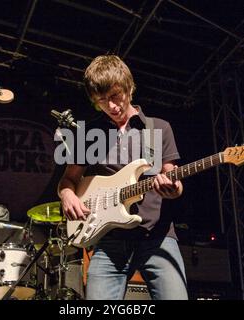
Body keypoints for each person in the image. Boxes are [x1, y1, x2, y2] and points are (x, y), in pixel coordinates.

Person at [58, 55, 188, 300]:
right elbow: (68, 181)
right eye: (101, 101)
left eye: (115, 96)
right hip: (110, 241)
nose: (111, 106)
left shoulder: (159, 128)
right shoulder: (89, 134)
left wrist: (173, 187)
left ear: (129, 86)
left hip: (157, 237)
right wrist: (67, 195)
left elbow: (172, 177)